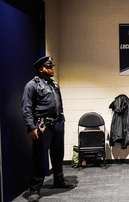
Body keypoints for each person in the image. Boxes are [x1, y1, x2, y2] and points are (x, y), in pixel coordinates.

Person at [21, 56, 75, 202]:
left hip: (57, 125)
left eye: (52, 66)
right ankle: (35, 189)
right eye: (49, 67)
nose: (52, 69)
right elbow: (26, 108)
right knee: (39, 158)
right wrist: (31, 127)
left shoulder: (54, 85)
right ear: (41, 69)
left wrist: (62, 116)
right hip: (42, 126)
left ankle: (59, 180)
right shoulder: (32, 85)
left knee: (58, 155)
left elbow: (60, 103)